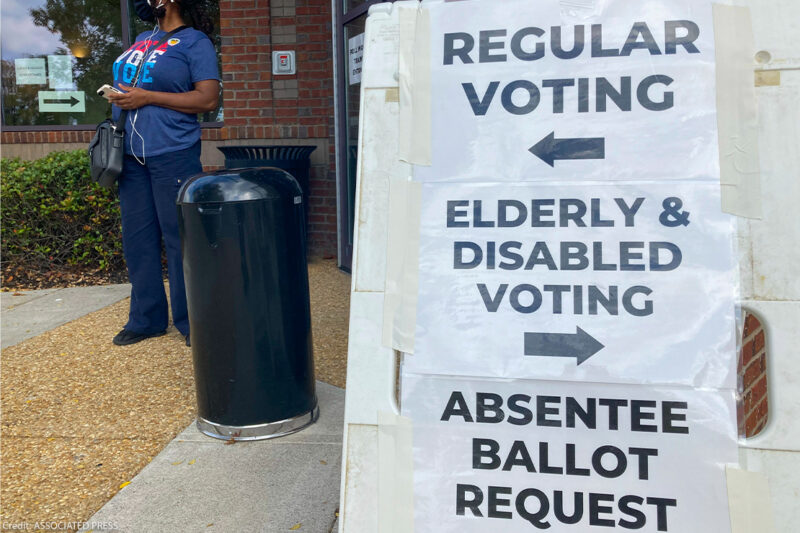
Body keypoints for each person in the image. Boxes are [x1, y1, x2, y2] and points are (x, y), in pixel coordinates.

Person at [107, 0, 219, 346]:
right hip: (130, 154)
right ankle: (146, 319)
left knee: (180, 239)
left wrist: (147, 98)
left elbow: (208, 99)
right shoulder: (143, 38)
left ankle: (192, 322)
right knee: (137, 239)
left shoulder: (195, 42)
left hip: (172, 152)